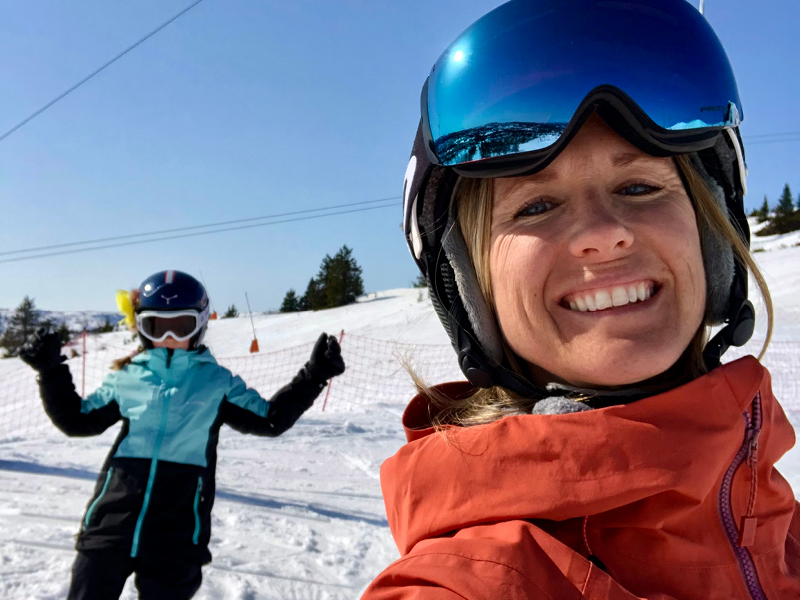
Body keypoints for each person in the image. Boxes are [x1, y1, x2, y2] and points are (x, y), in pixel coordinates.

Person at [363, 0, 799, 598]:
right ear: (472, 285)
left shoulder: (775, 526)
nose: (603, 233)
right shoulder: (469, 585)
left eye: (640, 185)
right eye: (536, 205)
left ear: (710, 229)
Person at [20, 270, 345, 600]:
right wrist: (51, 373)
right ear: (142, 328)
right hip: (110, 527)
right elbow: (76, 421)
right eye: (158, 327)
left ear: (200, 324)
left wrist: (314, 376)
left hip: (175, 535)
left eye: (182, 325)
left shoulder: (217, 383)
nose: (170, 336)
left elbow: (271, 420)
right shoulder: (129, 377)